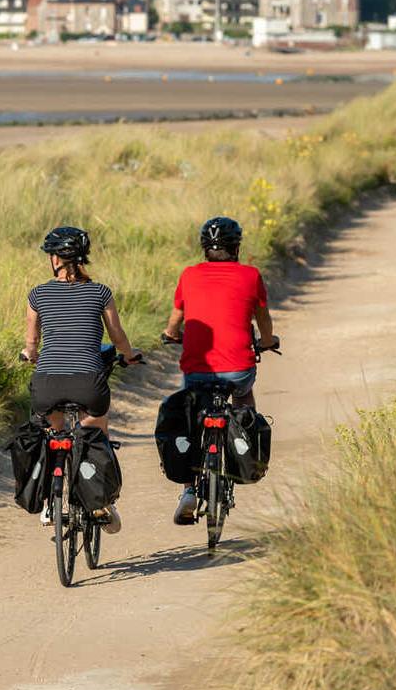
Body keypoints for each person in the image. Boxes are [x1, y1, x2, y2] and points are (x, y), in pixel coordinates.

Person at [20, 226, 142, 532]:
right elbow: (117, 336)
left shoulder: (37, 294)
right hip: (88, 382)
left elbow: (31, 344)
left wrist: (30, 355)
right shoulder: (101, 293)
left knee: (53, 432)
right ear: (82, 258)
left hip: (47, 383)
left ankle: (49, 502)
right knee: (95, 432)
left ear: (54, 259)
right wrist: (129, 355)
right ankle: (102, 499)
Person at [162, 215, 279, 525]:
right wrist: (268, 341)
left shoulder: (189, 275)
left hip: (197, 371)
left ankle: (189, 490)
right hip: (238, 370)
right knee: (243, 397)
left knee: (193, 415)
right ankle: (245, 447)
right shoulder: (251, 275)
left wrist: (171, 335)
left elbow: (176, 318)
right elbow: (263, 319)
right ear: (236, 247)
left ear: (205, 248)